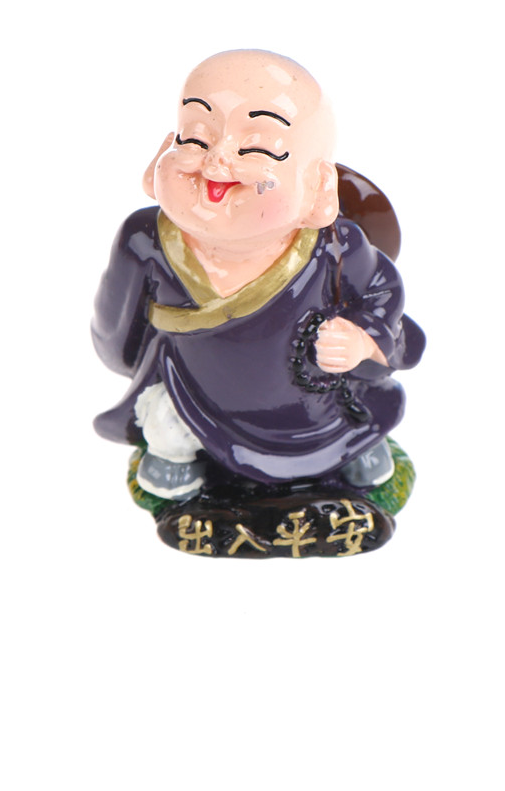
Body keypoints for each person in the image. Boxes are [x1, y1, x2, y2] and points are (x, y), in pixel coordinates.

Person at [92, 49, 424, 501]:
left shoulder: (336, 247)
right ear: (161, 155)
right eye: (195, 138)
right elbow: (117, 331)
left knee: (348, 423)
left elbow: (382, 294)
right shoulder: (145, 240)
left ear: (319, 188)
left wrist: (362, 341)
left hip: (311, 405)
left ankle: (349, 446)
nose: (215, 162)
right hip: (194, 392)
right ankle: (177, 453)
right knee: (168, 422)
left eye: (258, 148)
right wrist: (128, 359)